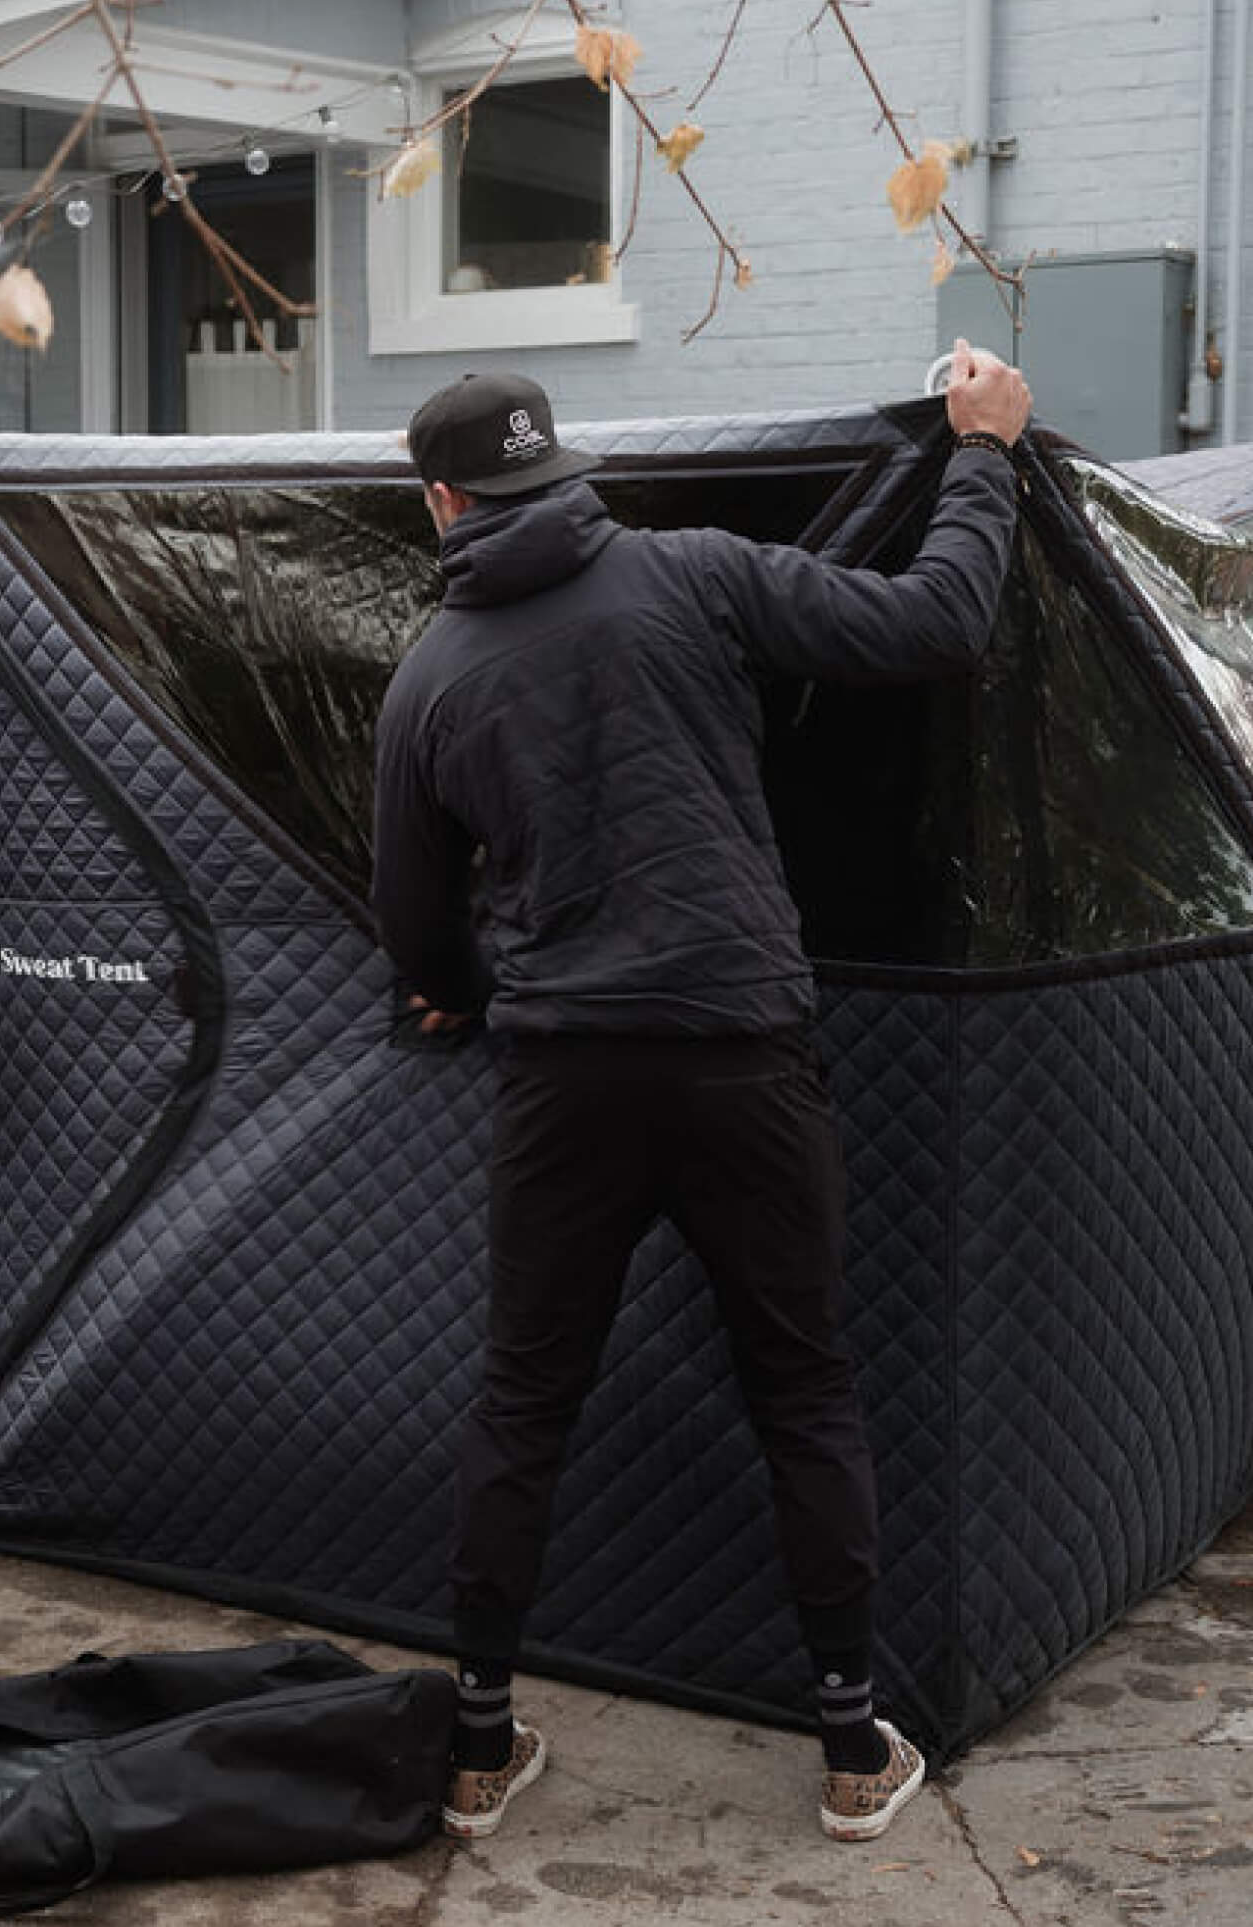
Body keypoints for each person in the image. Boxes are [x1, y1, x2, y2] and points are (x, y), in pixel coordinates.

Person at [371, 347, 1032, 1843]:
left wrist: (466, 989)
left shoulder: (429, 680)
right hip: (743, 1055)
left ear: (440, 502)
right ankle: (855, 1749)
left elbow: (410, 928)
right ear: (565, 471)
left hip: (562, 1082)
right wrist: (979, 452)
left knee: (524, 1400)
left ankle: (478, 1747)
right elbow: (941, 621)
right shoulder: (697, 573)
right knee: (802, 1392)